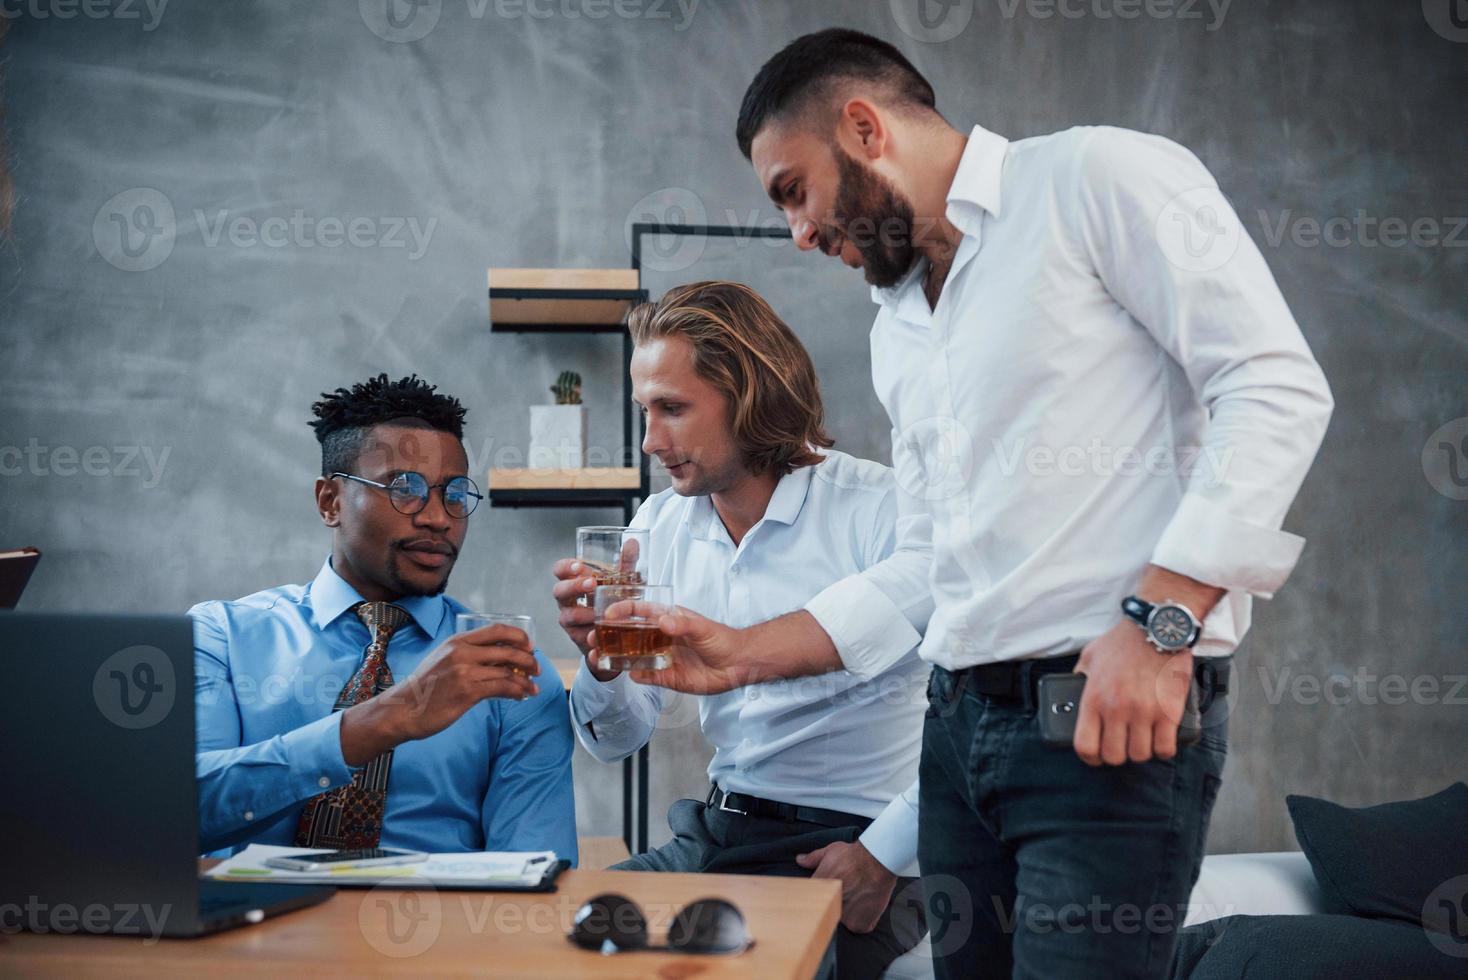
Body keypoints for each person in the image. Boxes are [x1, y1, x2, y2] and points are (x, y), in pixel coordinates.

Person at [629, 28, 1335, 979]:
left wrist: (1159, 625)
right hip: (958, 734)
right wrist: (741, 653)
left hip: (1100, 714)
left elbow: (1273, 383)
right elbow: (927, 563)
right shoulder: (898, 325)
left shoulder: (1097, 178)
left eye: (794, 191)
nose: (797, 233)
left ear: (864, 128)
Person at [553, 281, 930, 979]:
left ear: (751, 395)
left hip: (847, 845)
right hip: (717, 834)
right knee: (562, 941)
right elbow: (618, 740)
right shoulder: (658, 525)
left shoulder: (882, 510)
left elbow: (971, 719)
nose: (649, 441)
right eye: (644, 411)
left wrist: (884, 854)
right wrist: (602, 664)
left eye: (672, 409)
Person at [191, 373, 577, 863]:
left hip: (439, 933)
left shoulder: (510, 673)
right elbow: (173, 814)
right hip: (254, 930)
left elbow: (533, 874)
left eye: (455, 494)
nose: (438, 517)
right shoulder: (221, 636)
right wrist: (385, 719)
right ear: (330, 501)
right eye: (406, 488)